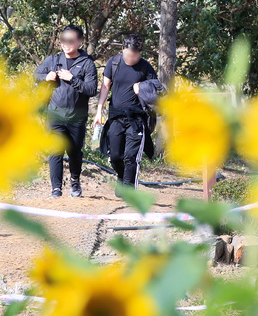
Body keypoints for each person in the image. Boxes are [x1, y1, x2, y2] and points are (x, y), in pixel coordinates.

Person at [94, 34, 165, 195]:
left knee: (130, 156)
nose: (131, 59)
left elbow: (157, 91)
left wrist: (143, 88)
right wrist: (99, 110)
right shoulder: (114, 62)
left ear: (140, 53)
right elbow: (105, 87)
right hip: (116, 117)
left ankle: (129, 190)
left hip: (137, 119)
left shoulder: (146, 67)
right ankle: (121, 176)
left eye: (135, 56)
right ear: (123, 49)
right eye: (128, 55)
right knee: (115, 156)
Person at [34, 25, 98, 198]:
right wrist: (45, 77)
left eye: (70, 41)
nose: (66, 44)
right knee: (55, 151)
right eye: (63, 40)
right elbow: (36, 75)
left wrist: (73, 79)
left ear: (79, 41)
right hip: (55, 114)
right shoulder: (53, 60)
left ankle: (75, 180)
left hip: (77, 117)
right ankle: (56, 189)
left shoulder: (87, 64)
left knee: (75, 152)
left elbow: (92, 89)